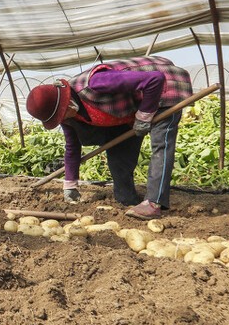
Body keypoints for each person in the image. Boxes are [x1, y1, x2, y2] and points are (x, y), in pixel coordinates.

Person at [24, 55, 193, 219]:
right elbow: (72, 147)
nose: (63, 120)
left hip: (165, 87)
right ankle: (127, 200)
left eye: (61, 115)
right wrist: (70, 185)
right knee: (118, 153)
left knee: (161, 144)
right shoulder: (67, 116)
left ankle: (153, 204)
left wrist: (144, 115)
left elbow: (155, 79)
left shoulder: (97, 83)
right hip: (131, 106)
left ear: (67, 103)